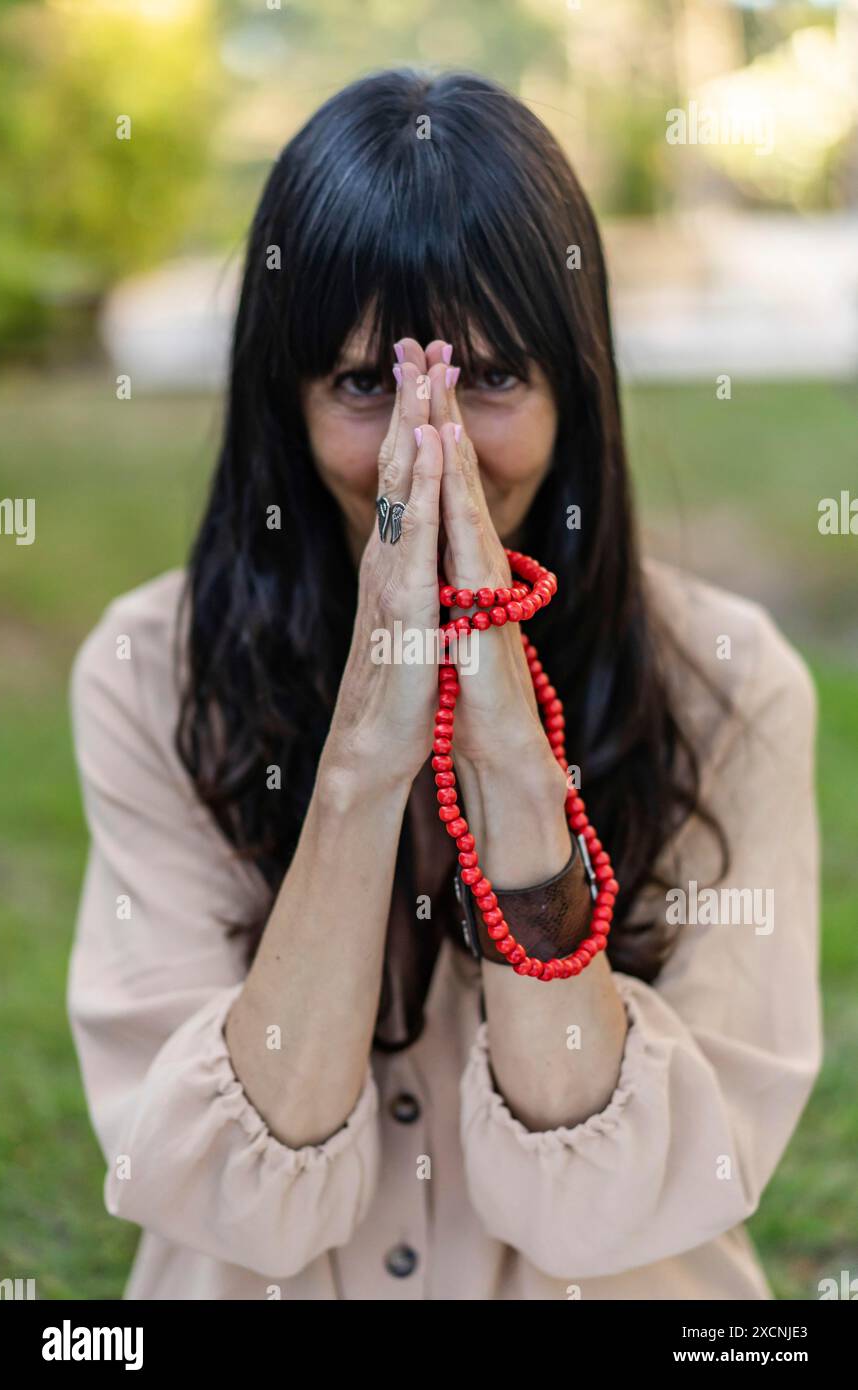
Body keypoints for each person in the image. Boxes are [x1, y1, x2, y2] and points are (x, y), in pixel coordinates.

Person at [67, 69, 822, 1300]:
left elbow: (611, 1209)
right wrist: (362, 768)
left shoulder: (731, 690)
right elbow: (230, 1202)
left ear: (575, 397)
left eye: (492, 377)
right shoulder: (150, 674)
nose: (436, 445)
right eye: (371, 384)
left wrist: (517, 769)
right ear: (289, 407)